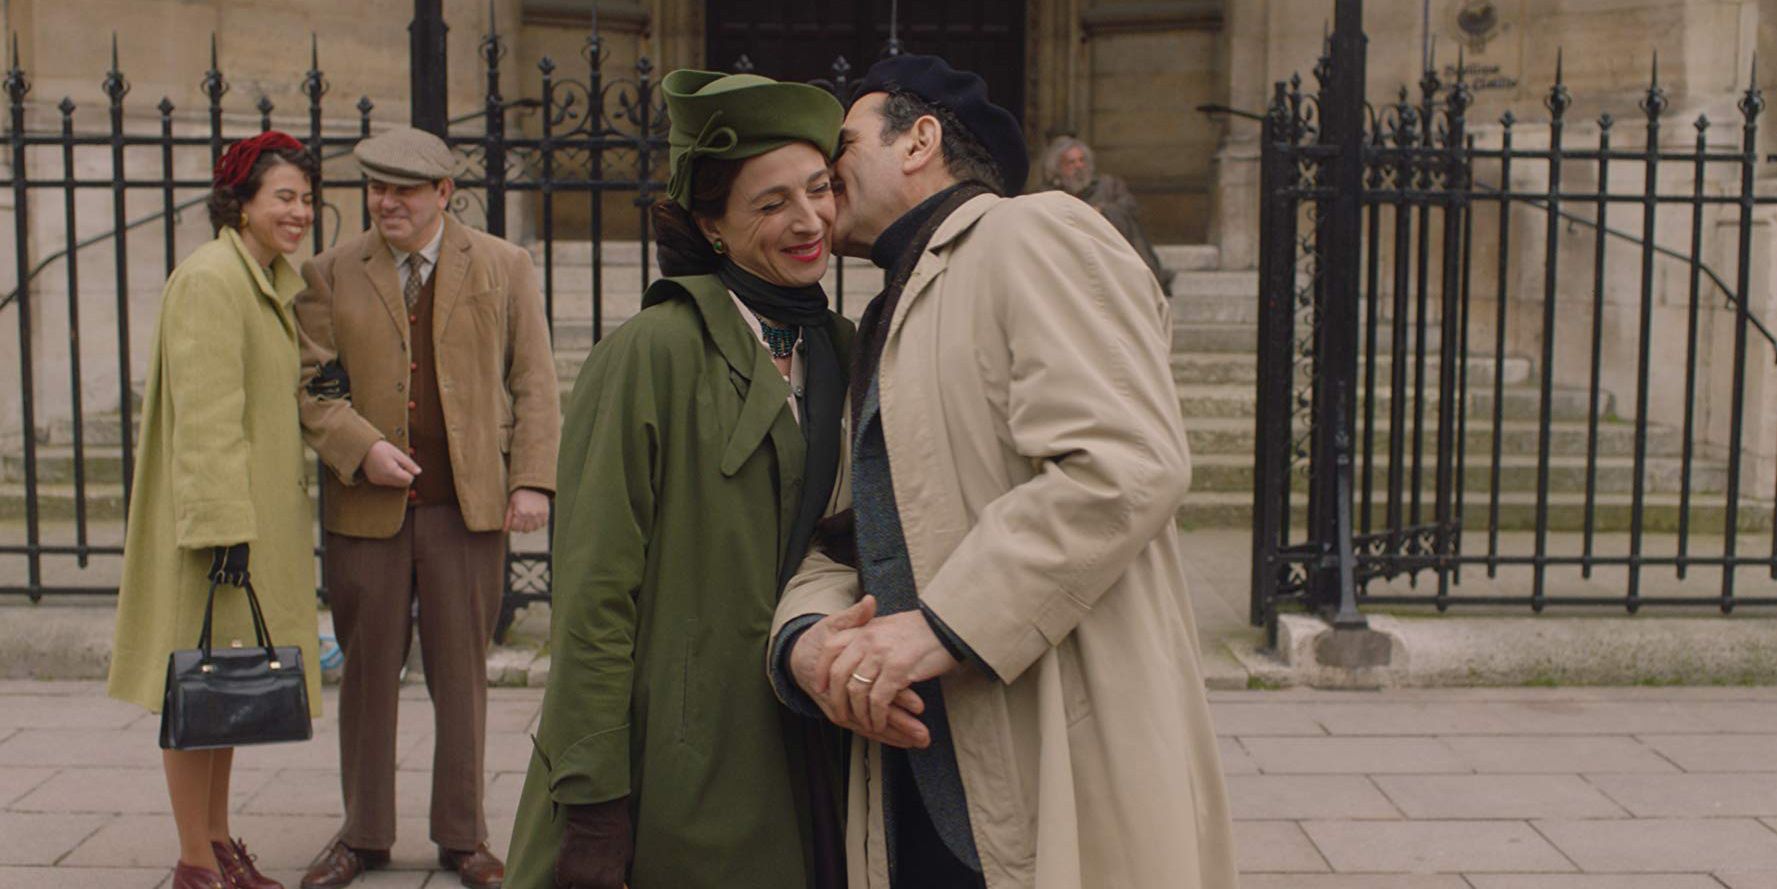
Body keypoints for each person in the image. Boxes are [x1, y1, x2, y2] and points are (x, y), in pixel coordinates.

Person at [767, 55, 1239, 888]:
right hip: (920, 761)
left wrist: (941, 624)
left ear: (919, 140)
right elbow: (850, 531)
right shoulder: (886, 310)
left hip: (1045, 738)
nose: (821, 166)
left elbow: (1124, 462)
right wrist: (806, 643)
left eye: (841, 140)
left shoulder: (1030, 232)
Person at [504, 70, 895, 889]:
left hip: (813, 753)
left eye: (819, 189)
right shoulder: (651, 352)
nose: (807, 221)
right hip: (675, 769)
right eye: (769, 203)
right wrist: (593, 801)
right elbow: (593, 597)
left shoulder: (846, 348)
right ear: (711, 225)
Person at [293, 126, 561, 889]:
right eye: (376, 188)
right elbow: (316, 384)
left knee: (461, 676)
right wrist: (360, 445)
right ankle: (364, 833)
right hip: (366, 511)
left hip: (465, 509)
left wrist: (531, 479)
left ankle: (463, 836)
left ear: (444, 194)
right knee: (368, 675)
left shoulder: (504, 266)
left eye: (404, 190)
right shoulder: (330, 273)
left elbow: (533, 381)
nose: (387, 202)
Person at [106, 131, 321, 889]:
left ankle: (219, 841)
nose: (298, 211)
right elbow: (204, 416)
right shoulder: (211, 280)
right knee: (192, 689)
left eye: (304, 197)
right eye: (282, 197)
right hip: (216, 529)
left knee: (222, 688)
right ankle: (196, 863)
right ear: (241, 203)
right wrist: (223, 530)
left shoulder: (262, 279)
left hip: (245, 524)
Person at [1041, 134, 1173, 295]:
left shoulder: (1109, 185)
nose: (1079, 166)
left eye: (1082, 160)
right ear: (1058, 168)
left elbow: (1130, 207)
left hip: (1111, 252)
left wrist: (1102, 211)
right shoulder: (1048, 194)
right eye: (1071, 162)